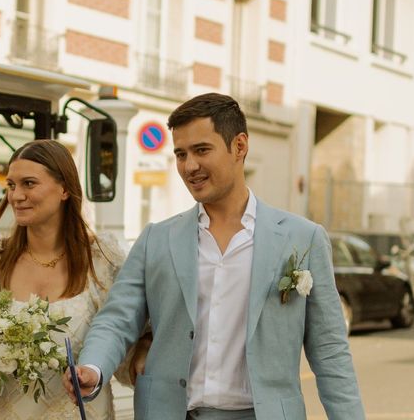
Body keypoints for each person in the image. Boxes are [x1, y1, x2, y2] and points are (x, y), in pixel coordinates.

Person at [64, 93, 365, 420]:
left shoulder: (302, 239)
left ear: (239, 146)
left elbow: (330, 353)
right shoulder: (157, 239)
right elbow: (117, 318)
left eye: (201, 150)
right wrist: (92, 367)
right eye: (180, 154)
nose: (189, 166)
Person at [0, 139, 142, 419]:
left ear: (64, 188)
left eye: (29, 183)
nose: (16, 196)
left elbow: (127, 349)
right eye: (11, 185)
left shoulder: (101, 259)